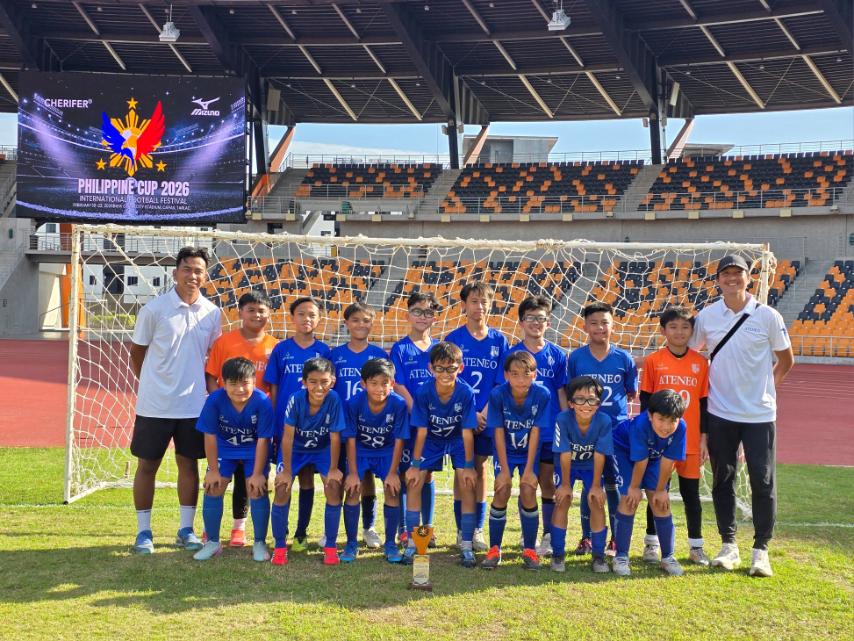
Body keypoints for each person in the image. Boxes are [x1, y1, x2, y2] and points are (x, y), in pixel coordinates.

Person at [690, 254, 794, 577]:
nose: (732, 279)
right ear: (718, 280)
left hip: (759, 414)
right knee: (723, 479)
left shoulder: (768, 316)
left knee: (762, 481)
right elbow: (694, 356)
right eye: (726, 274)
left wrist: (769, 388)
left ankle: (761, 549)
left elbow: (786, 359)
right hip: (721, 412)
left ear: (749, 278)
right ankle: (728, 545)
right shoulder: (707, 317)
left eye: (738, 274)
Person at [129, 246, 222, 555]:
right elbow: (137, 353)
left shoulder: (212, 312)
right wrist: (155, 384)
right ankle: (143, 532)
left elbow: (211, 356)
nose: (192, 275)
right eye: (187, 269)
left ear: (205, 275)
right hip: (155, 404)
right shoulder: (154, 309)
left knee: (189, 465)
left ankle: (186, 529)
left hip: (193, 405)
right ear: (175, 272)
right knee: (147, 466)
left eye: (198, 270)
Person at [204, 290, 277, 547]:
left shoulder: (274, 346)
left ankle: (240, 528)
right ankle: (210, 531)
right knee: (221, 474)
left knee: (251, 478)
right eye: (251, 310)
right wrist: (222, 405)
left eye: (262, 310)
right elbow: (211, 375)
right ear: (240, 312)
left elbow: (274, 384)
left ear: (269, 314)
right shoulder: (225, 342)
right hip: (227, 422)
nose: (256, 315)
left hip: (258, 422)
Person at [640, 306, 710, 566]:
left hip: (690, 442)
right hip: (660, 442)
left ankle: (696, 546)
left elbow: (704, 403)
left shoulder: (701, 363)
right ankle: (651, 544)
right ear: (663, 330)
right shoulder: (653, 361)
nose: (679, 332)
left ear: (692, 331)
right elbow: (646, 399)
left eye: (685, 327)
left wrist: (704, 438)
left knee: (692, 495)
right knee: (658, 492)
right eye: (673, 327)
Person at [568, 301, 638, 557]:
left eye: (605, 322)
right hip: (586, 433)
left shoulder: (624, 359)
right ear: (585, 326)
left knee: (616, 487)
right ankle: (587, 537)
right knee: (590, 486)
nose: (600, 327)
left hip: (617, 433)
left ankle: (616, 541)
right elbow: (570, 394)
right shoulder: (576, 358)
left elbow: (630, 393)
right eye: (594, 323)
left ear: (613, 325)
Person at [264, 297, 332, 553]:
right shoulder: (281, 349)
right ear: (292, 318)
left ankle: (301, 533)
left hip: (315, 430)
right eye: (301, 314)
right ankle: (279, 536)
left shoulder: (324, 351)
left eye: (312, 315)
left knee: (307, 481)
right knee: (284, 481)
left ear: (319, 319)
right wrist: (273, 424)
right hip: (287, 428)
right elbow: (274, 386)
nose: (307, 319)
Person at [445, 282, 509, 551]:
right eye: (474, 301)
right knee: (463, 471)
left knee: (481, 469)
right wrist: (469, 412)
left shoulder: (499, 340)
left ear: (490, 305)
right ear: (464, 305)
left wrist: (483, 412)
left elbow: (500, 381)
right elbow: (447, 379)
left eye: (484, 302)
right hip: (461, 416)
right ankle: (463, 530)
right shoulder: (453, 339)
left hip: (488, 414)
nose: (479, 307)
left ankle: (478, 528)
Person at [404, 342, 479, 567]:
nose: (445, 374)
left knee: (466, 483)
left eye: (451, 368)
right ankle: (414, 544)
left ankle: (466, 545)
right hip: (431, 441)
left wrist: (468, 465)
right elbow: (422, 430)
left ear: (460, 368)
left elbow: (467, 432)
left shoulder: (465, 392)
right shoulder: (424, 391)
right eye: (440, 368)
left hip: (457, 439)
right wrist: (415, 464)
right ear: (430, 369)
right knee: (415, 483)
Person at [270, 357, 350, 566]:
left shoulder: (334, 400)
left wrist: (333, 469)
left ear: (332, 381)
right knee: (281, 487)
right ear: (304, 382)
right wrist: (286, 471)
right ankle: (279, 546)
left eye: (324, 381)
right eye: (313, 381)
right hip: (296, 449)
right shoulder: (296, 399)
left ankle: (330, 546)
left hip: (322, 449)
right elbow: (287, 437)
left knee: (333, 486)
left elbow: (334, 437)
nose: (318, 387)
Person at [505, 296, 568, 557]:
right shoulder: (513, 354)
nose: (535, 323)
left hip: (550, 430)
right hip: (520, 430)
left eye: (540, 318)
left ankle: (549, 533)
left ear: (548, 322)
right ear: (521, 322)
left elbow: (562, 391)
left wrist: (566, 422)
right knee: (526, 483)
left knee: (548, 483)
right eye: (530, 318)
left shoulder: (557, 354)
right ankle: (527, 530)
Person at [194, 358, 273, 562]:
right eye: (233, 383)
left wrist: (257, 474)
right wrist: (212, 470)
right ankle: (212, 542)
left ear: (254, 381)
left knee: (256, 488)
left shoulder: (262, 401)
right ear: (223, 383)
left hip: (253, 450)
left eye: (245, 383)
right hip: (225, 449)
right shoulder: (214, 400)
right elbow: (209, 435)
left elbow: (264, 439)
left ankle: (259, 542)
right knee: (213, 486)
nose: (239, 389)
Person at [481, 351, 551, 570]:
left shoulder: (542, 394)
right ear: (506, 375)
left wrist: (530, 469)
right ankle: (494, 549)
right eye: (515, 374)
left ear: (534, 374)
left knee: (528, 488)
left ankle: (530, 550)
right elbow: (498, 432)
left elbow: (537, 433)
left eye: (526, 373)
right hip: (506, 451)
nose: (521, 379)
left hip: (529, 452)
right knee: (502, 489)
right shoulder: (497, 394)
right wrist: (502, 470)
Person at [329, 302, 388, 550]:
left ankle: (369, 527)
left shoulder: (379, 355)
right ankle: (334, 530)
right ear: (346, 324)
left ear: (372, 324)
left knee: (366, 478)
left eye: (366, 320)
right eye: (355, 320)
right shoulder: (335, 355)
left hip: (372, 426)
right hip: (343, 426)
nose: (360, 325)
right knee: (341, 477)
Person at [611, 390, 687, 577]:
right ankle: (620, 556)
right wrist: (635, 488)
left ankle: (668, 557)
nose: (666, 426)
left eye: (672, 421)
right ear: (650, 415)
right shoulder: (640, 425)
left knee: (660, 502)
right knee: (629, 499)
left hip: (653, 457)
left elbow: (668, 461)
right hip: (623, 451)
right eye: (661, 419)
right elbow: (640, 460)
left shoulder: (681, 428)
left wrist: (661, 490)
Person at [342, 358, 410, 563]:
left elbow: (399, 439)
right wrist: (353, 473)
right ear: (363, 384)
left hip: (387, 453)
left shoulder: (398, 404)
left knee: (392, 488)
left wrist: (392, 472)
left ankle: (390, 544)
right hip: (361, 452)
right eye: (374, 383)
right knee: (353, 489)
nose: (379, 388)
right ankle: (351, 543)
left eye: (384, 383)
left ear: (392, 383)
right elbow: (351, 439)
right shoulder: (354, 404)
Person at [389, 291, 440, 544]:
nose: (423, 316)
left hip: (433, 423)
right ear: (408, 314)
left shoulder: (439, 348)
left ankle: (425, 530)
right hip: (407, 420)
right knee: (403, 473)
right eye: (418, 311)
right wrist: (417, 410)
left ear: (435, 317)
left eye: (429, 312)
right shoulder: (399, 348)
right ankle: (403, 529)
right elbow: (397, 384)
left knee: (427, 473)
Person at [551, 376, 614, 573]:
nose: (585, 404)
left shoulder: (604, 421)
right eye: (579, 399)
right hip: (566, 464)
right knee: (564, 499)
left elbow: (600, 453)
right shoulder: (563, 419)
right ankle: (558, 555)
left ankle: (598, 556)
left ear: (598, 403)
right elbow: (565, 453)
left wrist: (596, 485)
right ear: (570, 403)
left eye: (591, 399)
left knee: (596, 500)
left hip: (591, 465)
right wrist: (565, 484)